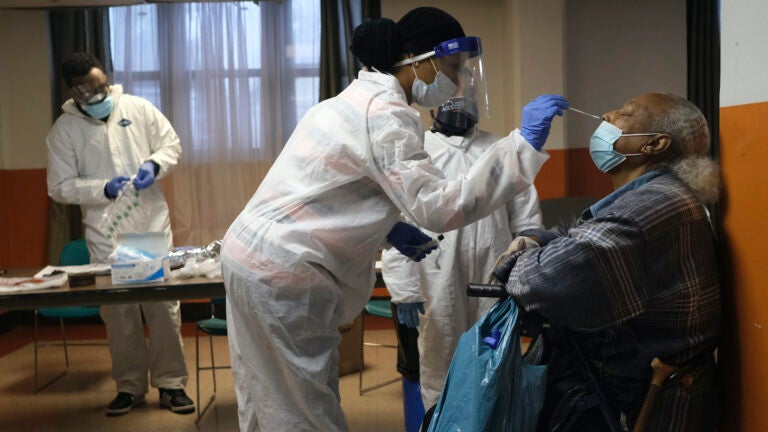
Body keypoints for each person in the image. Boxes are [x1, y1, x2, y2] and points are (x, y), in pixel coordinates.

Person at [220, 7, 568, 431]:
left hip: (251, 258)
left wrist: (385, 226)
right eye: (453, 68)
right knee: (303, 410)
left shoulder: (347, 101)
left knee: (264, 392)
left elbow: (325, 188)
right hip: (287, 273)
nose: (457, 82)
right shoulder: (387, 113)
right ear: (421, 60)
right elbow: (439, 208)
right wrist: (522, 146)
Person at [495, 93, 721, 431]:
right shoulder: (658, 194)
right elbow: (584, 235)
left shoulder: (647, 209)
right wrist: (540, 240)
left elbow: (543, 283)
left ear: (654, 143)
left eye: (625, 113)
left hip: (638, 403)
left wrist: (518, 259)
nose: (607, 112)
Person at [46, 52, 194, 416]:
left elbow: (170, 145)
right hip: (106, 230)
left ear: (107, 79)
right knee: (119, 311)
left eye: (102, 86)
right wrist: (102, 189)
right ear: (73, 92)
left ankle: (171, 384)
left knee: (161, 305)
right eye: (88, 91)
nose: (98, 96)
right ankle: (129, 387)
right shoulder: (64, 131)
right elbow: (59, 186)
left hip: (149, 223)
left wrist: (153, 164)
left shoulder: (138, 108)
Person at [381, 94, 544, 410]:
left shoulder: (501, 150)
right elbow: (397, 221)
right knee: (439, 358)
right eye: (449, 97)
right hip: (435, 277)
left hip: (493, 274)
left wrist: (524, 274)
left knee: (492, 357)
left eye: (466, 96)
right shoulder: (415, 152)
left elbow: (526, 220)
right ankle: (439, 422)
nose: (458, 104)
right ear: (431, 104)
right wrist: (404, 289)